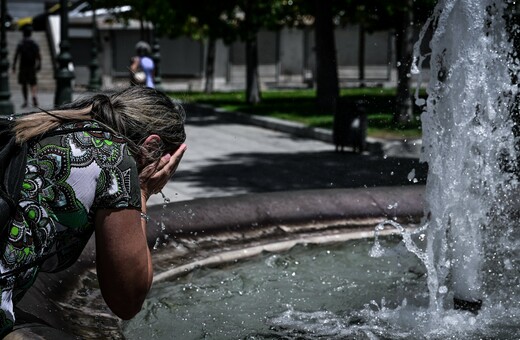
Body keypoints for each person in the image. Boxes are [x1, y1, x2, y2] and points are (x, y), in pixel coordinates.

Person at [0, 86, 187, 337]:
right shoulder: (112, 158)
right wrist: (141, 191)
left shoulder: (49, 126)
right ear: (152, 149)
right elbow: (127, 300)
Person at [12, 26, 41, 108]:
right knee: (33, 83)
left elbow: (16, 55)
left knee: (24, 84)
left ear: (23, 34)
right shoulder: (34, 43)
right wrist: (39, 64)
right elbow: (38, 55)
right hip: (32, 66)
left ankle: (25, 101)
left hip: (23, 67)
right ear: (30, 34)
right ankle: (34, 96)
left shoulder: (21, 43)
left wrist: (14, 66)